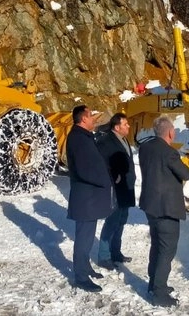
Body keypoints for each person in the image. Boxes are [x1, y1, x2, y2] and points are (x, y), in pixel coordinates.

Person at [139, 116, 189, 307]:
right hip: (166, 208)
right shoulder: (170, 153)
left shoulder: (145, 148)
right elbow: (186, 174)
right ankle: (159, 293)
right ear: (170, 132)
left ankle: (154, 284)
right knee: (167, 251)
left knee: (157, 246)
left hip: (150, 205)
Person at [66, 105, 114, 293]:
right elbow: (85, 169)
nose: (94, 118)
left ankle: (85, 268)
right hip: (85, 198)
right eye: (91, 115)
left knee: (86, 236)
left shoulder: (84, 136)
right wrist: (106, 180)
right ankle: (81, 277)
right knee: (83, 239)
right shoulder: (78, 139)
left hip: (90, 198)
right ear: (83, 119)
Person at [95, 113, 136, 270]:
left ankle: (115, 252)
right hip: (115, 189)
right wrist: (113, 176)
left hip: (126, 187)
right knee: (112, 221)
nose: (128, 126)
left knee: (121, 221)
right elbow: (100, 164)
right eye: (125, 124)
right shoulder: (105, 141)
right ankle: (104, 256)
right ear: (117, 127)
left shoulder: (124, 139)